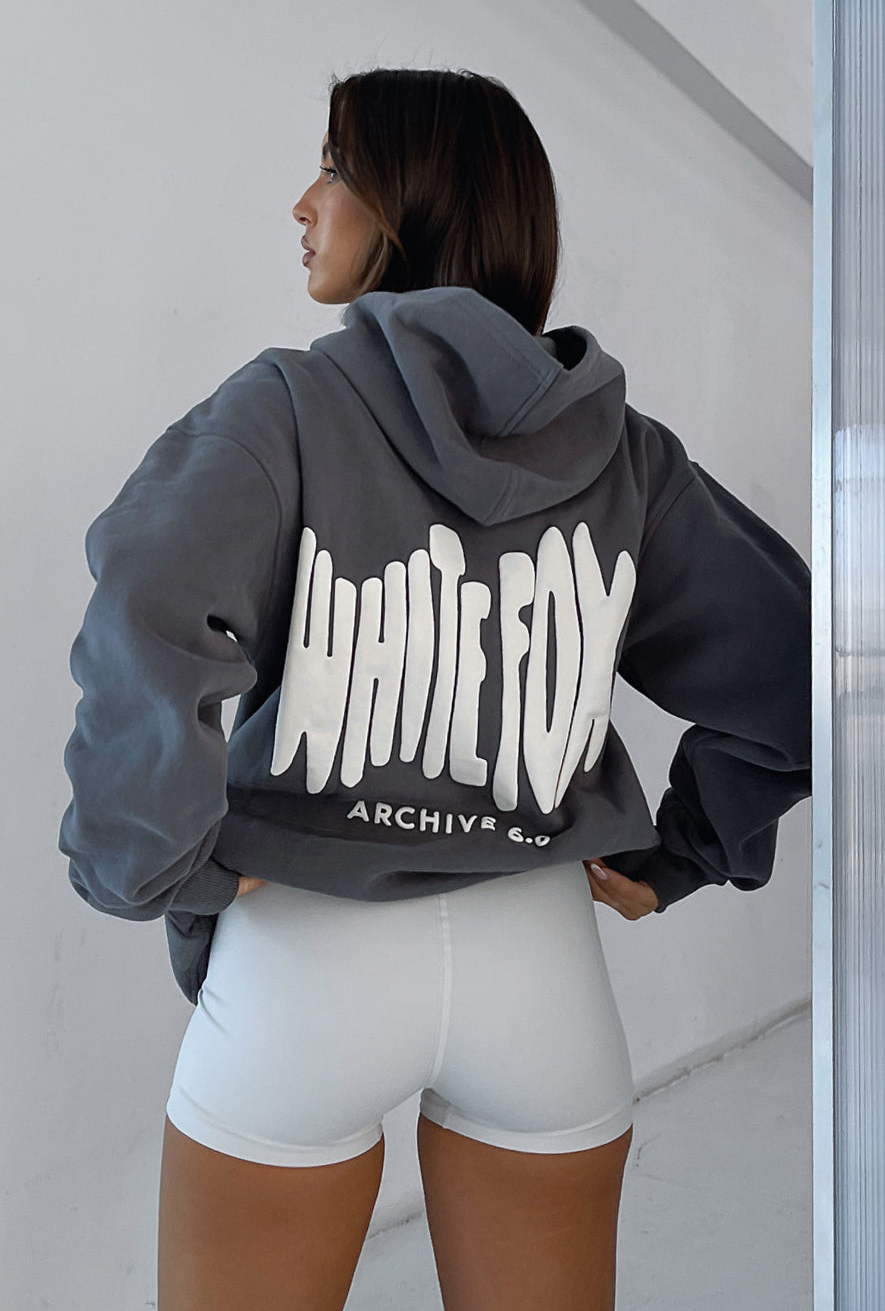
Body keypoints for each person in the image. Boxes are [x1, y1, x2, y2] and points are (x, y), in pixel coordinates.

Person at [58, 66, 811, 1311]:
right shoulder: (625, 456)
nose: (305, 203)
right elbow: (793, 663)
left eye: (336, 169)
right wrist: (686, 847)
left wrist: (156, 861)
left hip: (305, 963)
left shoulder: (283, 411)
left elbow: (146, 606)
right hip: (540, 968)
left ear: (412, 203)